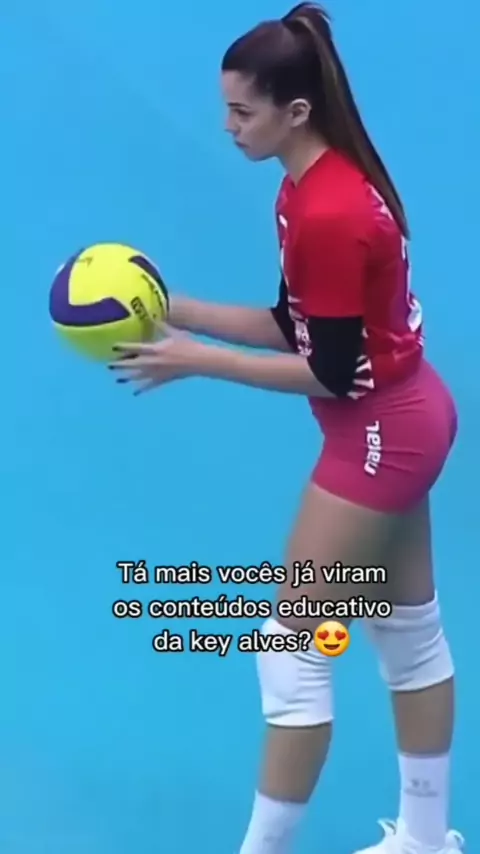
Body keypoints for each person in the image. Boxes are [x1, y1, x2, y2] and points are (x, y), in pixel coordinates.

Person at [110, 4, 463, 853]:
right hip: (402, 418)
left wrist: (196, 359)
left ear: (295, 111)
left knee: (291, 646)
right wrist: (174, 307)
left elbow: (329, 370)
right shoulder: (308, 186)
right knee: (406, 631)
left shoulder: (329, 213)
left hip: (380, 433)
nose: (228, 126)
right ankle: (425, 840)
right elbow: (296, 323)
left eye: (242, 111)